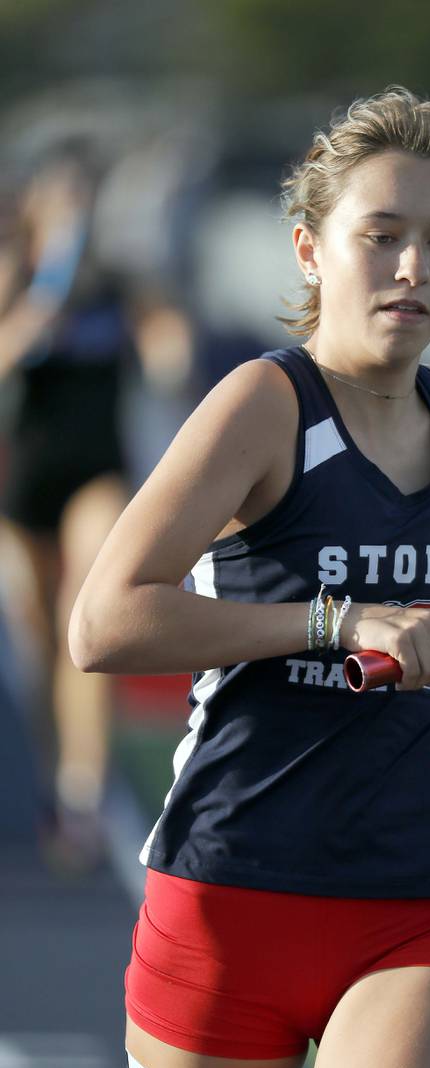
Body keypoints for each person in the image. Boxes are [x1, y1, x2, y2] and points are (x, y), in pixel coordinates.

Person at [69, 87, 430, 1068]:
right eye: (380, 236)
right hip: (230, 895)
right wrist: (337, 623)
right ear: (308, 246)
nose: (412, 268)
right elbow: (102, 623)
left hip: (426, 896)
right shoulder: (262, 403)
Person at [0, 142, 131, 868]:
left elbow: (165, 331)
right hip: (24, 484)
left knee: (85, 616)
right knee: (37, 640)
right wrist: (38, 297)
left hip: (96, 470)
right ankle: (52, 786)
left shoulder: (117, 284)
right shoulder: (17, 277)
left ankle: (85, 791)